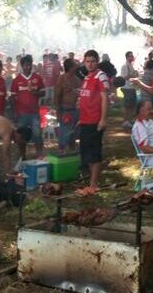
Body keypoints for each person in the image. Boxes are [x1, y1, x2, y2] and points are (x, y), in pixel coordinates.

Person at [76, 49, 109, 196]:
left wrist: (103, 119)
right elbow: (86, 98)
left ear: (97, 62)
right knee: (86, 151)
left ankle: (94, 184)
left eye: (93, 61)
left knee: (94, 152)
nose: (90, 64)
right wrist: (80, 119)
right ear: (84, 62)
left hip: (95, 121)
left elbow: (104, 98)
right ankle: (91, 180)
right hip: (85, 120)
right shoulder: (87, 77)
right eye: (87, 61)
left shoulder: (100, 76)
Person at [10, 55, 45, 158]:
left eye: (30, 65)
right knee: (21, 136)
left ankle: (40, 156)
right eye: (26, 65)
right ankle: (23, 156)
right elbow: (12, 97)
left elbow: (43, 93)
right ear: (22, 66)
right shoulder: (16, 80)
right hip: (21, 113)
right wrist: (14, 113)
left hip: (34, 113)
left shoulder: (37, 78)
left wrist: (35, 92)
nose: (28, 67)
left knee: (37, 135)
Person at [55, 58, 81, 152]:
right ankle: (61, 152)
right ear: (70, 67)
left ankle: (72, 153)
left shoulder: (77, 79)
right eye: (75, 64)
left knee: (73, 135)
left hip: (76, 110)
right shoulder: (61, 79)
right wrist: (58, 113)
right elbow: (57, 96)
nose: (77, 65)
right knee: (64, 135)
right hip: (65, 110)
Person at [120, 51, 139, 128]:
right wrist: (133, 74)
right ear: (127, 57)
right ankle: (125, 121)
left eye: (132, 56)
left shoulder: (130, 65)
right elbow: (124, 77)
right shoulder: (125, 66)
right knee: (127, 106)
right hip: (127, 88)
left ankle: (130, 119)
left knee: (131, 105)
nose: (132, 57)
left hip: (131, 87)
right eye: (130, 56)